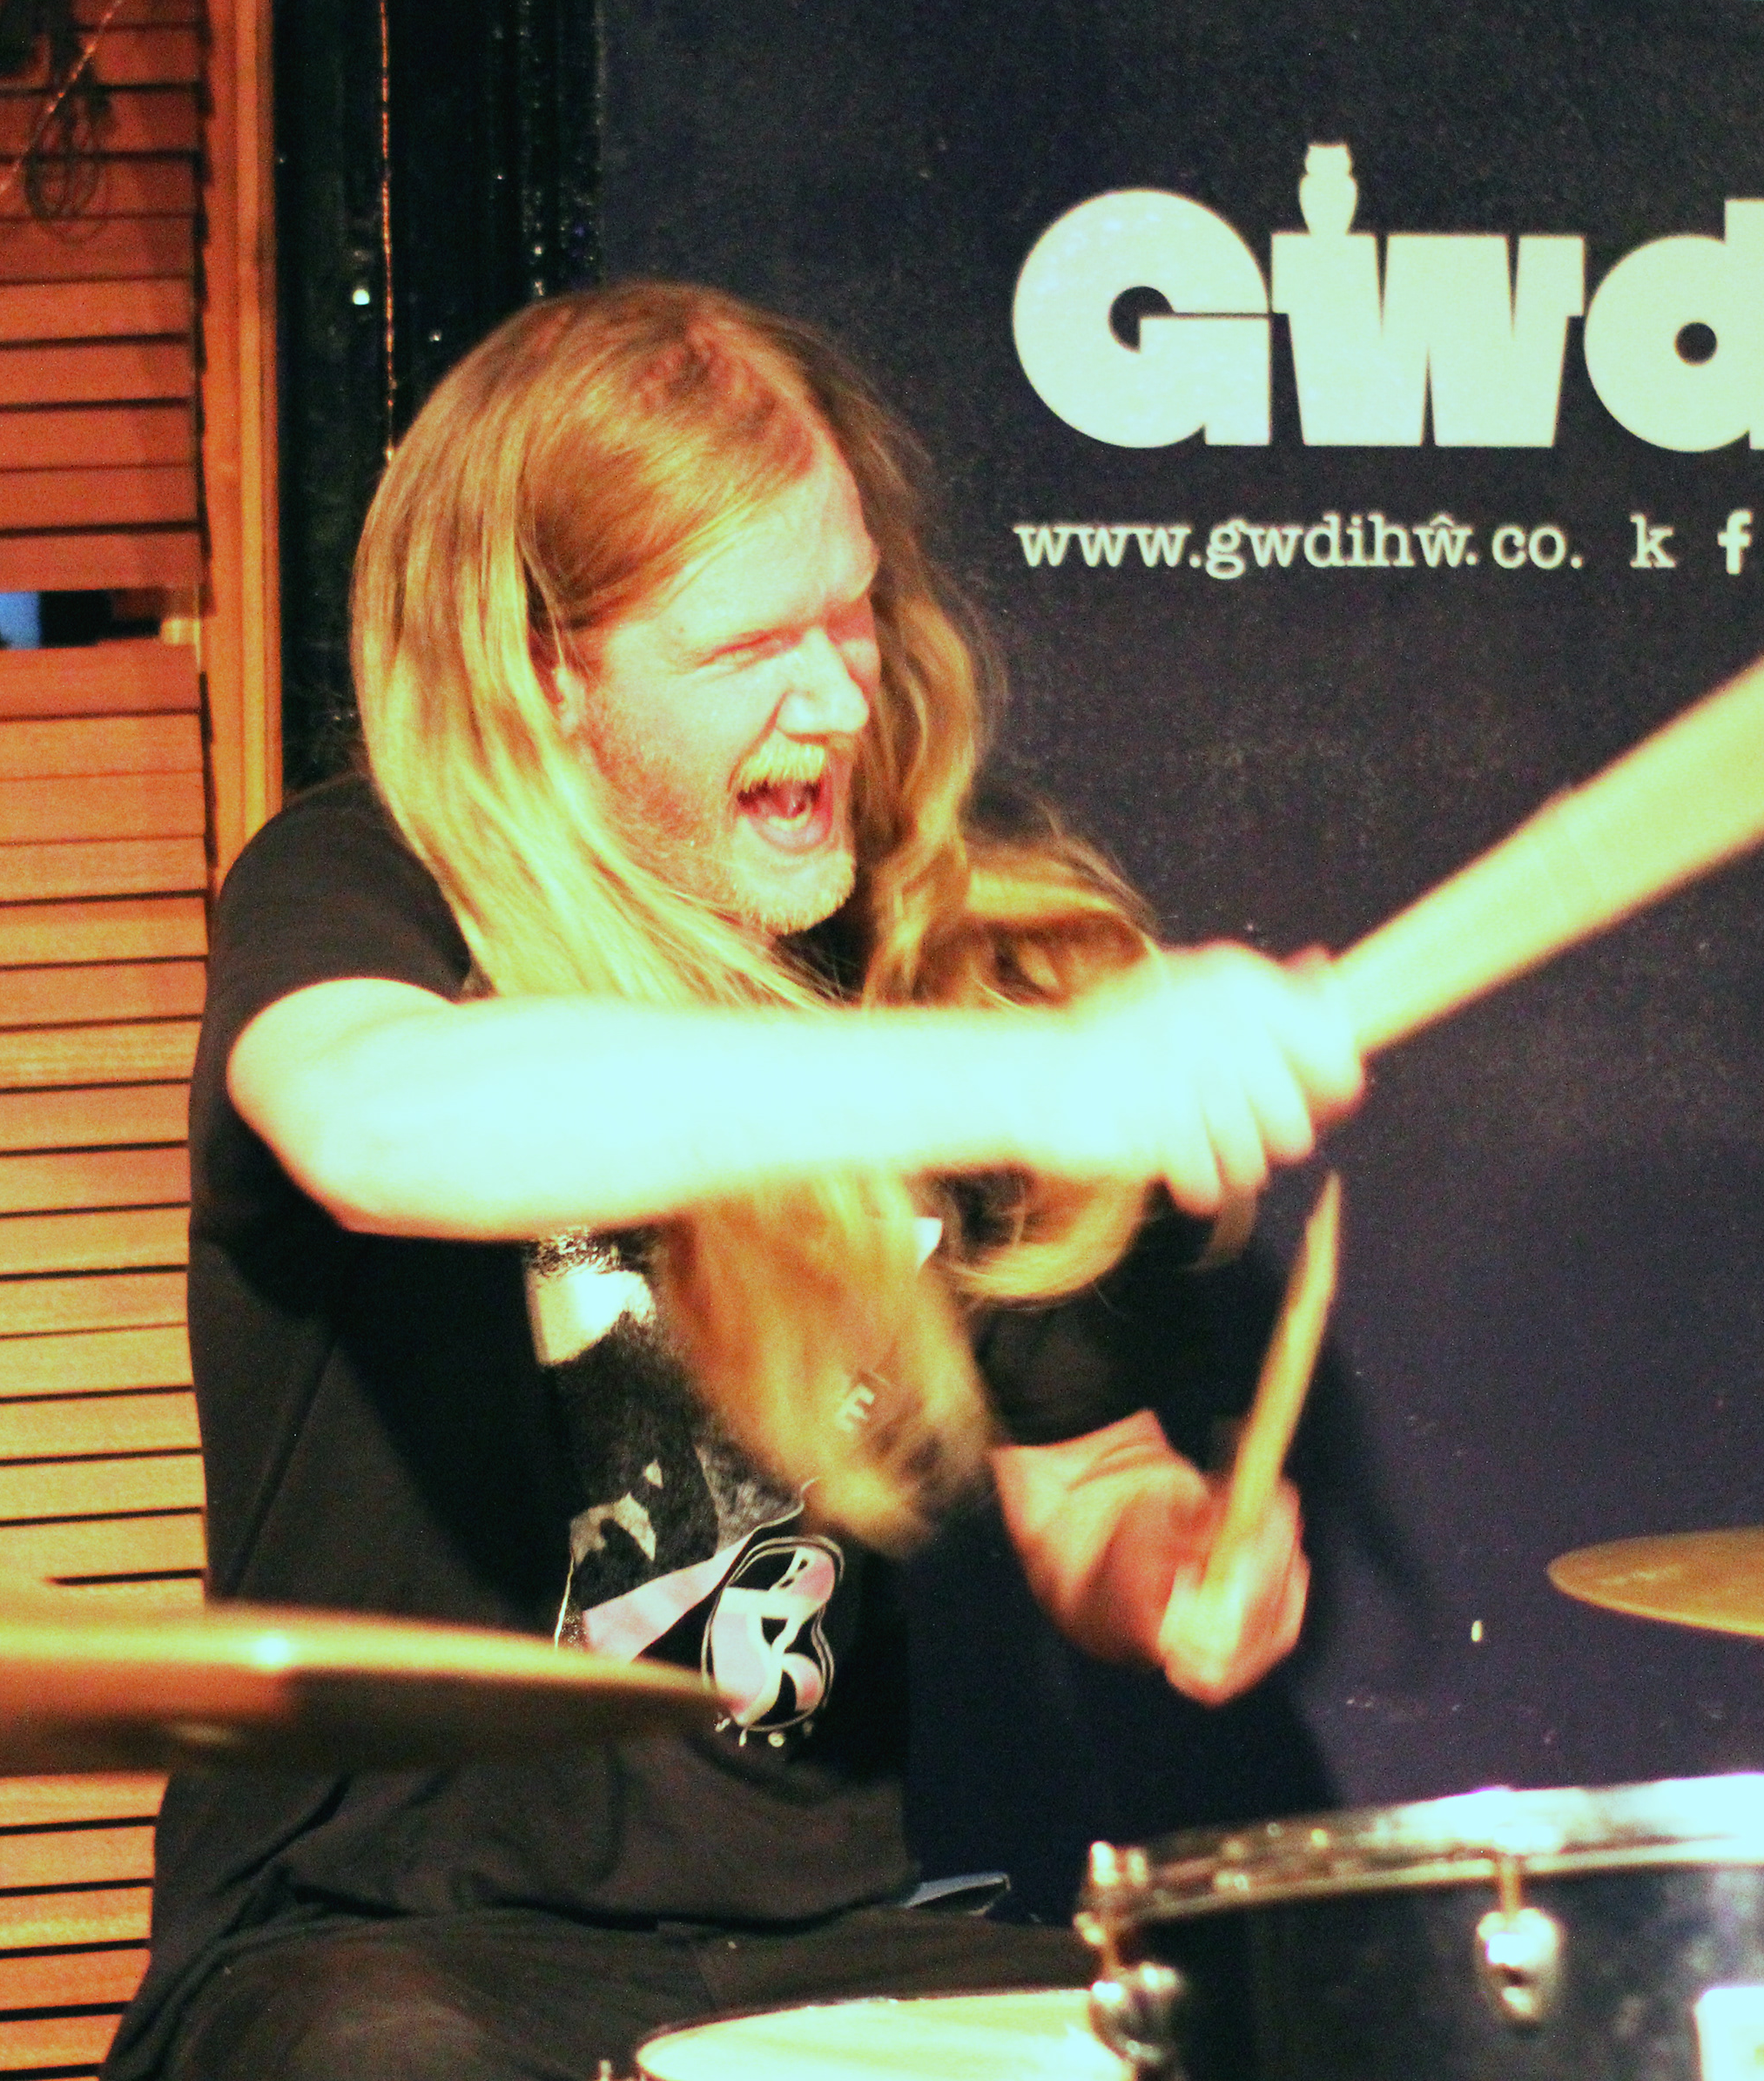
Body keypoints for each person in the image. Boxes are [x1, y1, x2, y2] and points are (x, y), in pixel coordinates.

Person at [101, 281, 1364, 2081]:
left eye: (854, 612)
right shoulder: (361, 883)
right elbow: (378, 1125)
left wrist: (1170, 1564)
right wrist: (1043, 1076)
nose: (836, 695)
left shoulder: (920, 940)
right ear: (548, 670)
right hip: (375, 1948)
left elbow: (1086, 1479)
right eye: (752, 644)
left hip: (821, 1944)